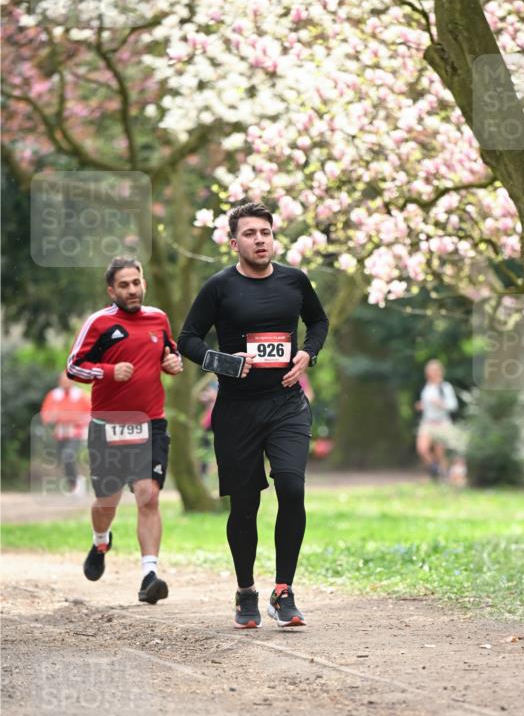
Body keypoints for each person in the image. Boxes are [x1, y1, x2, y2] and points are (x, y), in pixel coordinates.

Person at [178, 201, 329, 630]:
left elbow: (318, 322)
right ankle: (246, 591)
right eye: (249, 234)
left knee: (292, 487)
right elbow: (186, 338)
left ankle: (284, 591)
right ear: (234, 242)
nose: (259, 240)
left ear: (273, 237)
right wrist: (222, 361)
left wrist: (307, 353)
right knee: (244, 506)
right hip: (237, 411)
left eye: (265, 232)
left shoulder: (295, 280)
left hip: (286, 405)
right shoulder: (220, 288)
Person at [67, 257, 183, 604]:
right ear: (111, 290)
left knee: (148, 494)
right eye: (124, 285)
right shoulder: (99, 323)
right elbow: (74, 365)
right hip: (109, 425)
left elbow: (170, 354)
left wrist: (173, 363)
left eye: (136, 282)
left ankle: (149, 575)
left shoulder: (158, 318)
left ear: (143, 283)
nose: (132, 290)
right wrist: (107, 371)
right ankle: (101, 540)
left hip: (151, 423)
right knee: (108, 500)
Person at [40, 371, 91, 493]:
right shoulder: (53, 395)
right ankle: (74, 483)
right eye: (64, 380)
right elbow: (45, 415)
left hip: (76, 432)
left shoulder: (81, 395)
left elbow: (90, 414)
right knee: (62, 460)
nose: (66, 382)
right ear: (59, 381)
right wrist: (53, 417)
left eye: (69, 380)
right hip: (60, 433)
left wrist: (76, 419)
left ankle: (75, 484)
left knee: (68, 456)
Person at [415, 359, 459, 480]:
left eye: (434, 370)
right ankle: (435, 470)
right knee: (422, 449)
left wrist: (441, 403)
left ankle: (443, 476)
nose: (431, 373)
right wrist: (421, 406)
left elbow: (453, 405)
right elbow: (426, 404)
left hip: (442, 423)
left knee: (440, 453)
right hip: (427, 422)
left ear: (440, 371)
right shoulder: (426, 387)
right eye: (429, 370)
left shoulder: (444, 387)